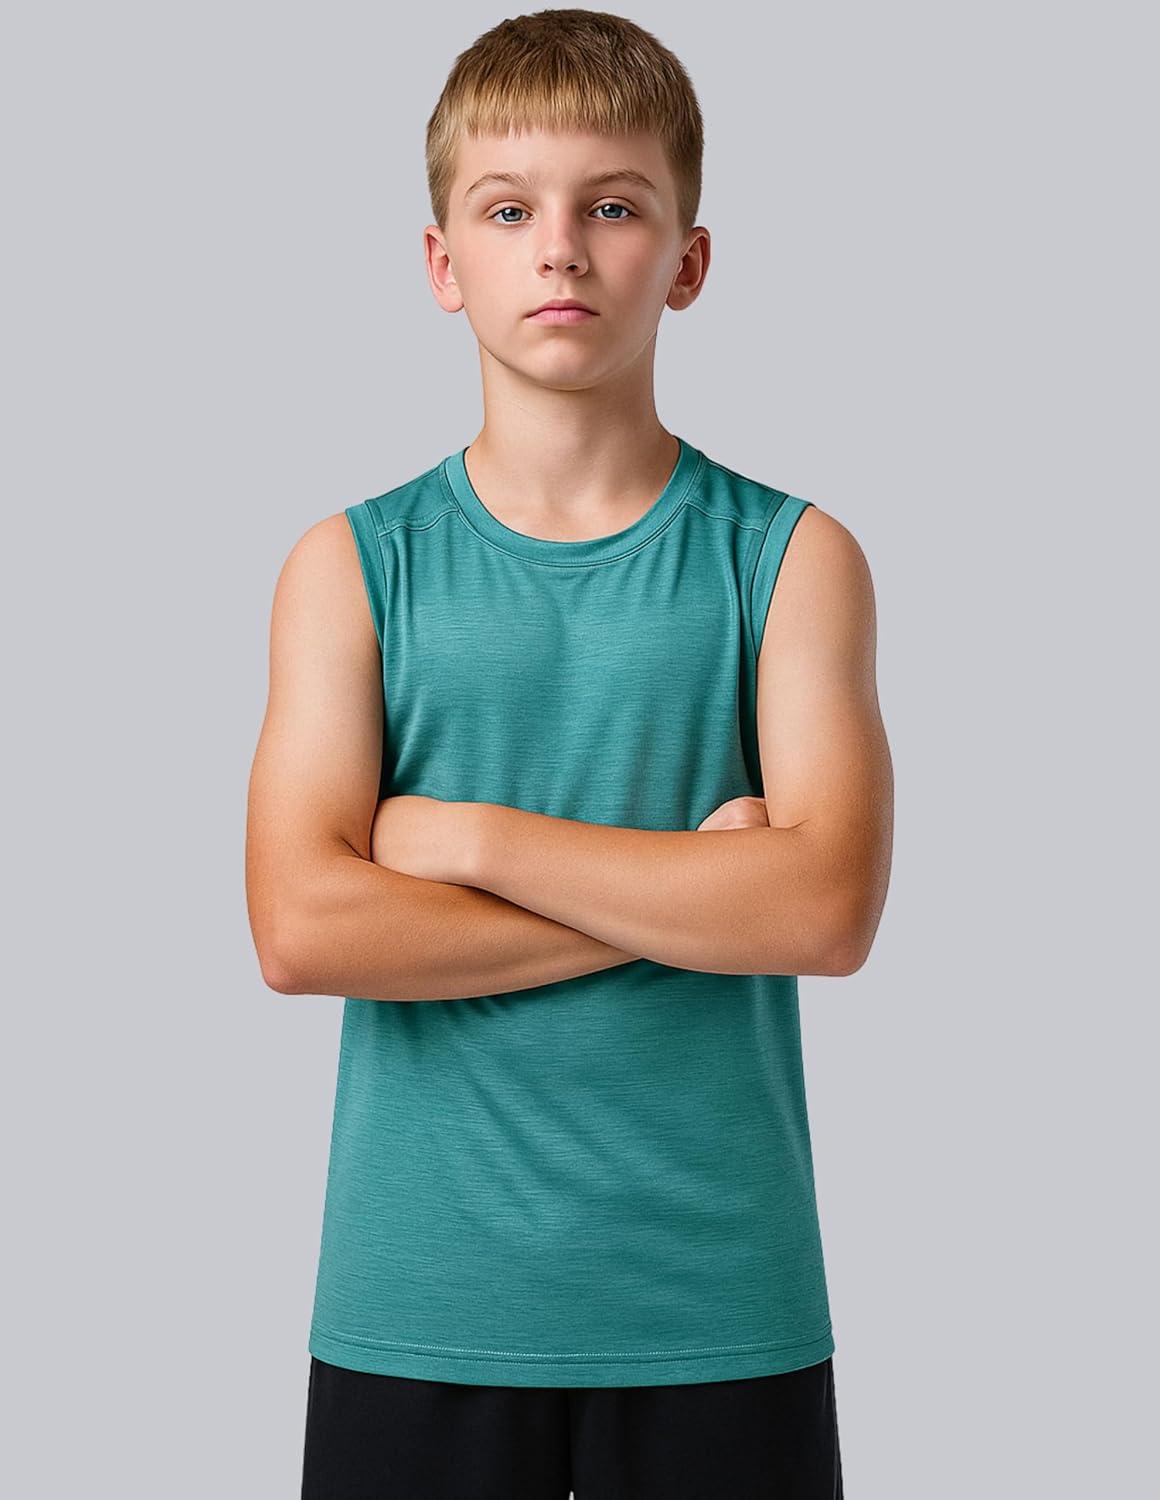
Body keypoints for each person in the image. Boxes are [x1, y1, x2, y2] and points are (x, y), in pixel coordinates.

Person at [245, 9, 893, 1497]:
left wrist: (462, 841)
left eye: (612, 207)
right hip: (419, 1306)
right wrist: (691, 900)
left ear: (688, 260)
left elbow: (820, 912)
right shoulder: (350, 568)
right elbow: (301, 929)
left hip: (716, 1308)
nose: (559, 250)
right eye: (507, 211)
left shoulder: (792, 560)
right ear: (440, 263)